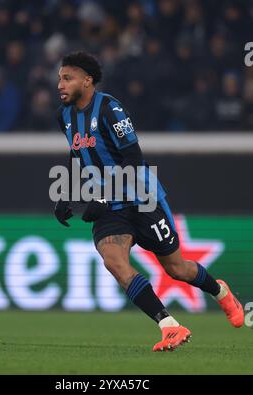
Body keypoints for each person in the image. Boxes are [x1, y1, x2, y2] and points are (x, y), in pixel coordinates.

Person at [54, 51, 244, 352]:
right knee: (114, 262)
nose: (60, 85)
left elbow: (133, 157)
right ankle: (170, 326)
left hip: (140, 199)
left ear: (87, 81)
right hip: (111, 211)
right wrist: (65, 194)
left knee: (177, 269)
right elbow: (76, 154)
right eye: (60, 79)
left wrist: (104, 195)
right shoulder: (65, 116)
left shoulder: (109, 108)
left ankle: (220, 291)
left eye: (67, 78)